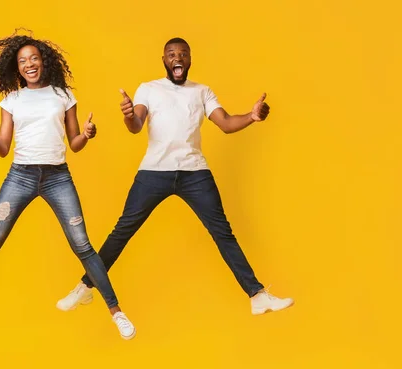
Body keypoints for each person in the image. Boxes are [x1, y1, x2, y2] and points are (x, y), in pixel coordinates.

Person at [57, 37, 294, 316]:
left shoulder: (202, 92)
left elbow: (227, 124)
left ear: (190, 60)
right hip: (154, 173)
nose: (177, 57)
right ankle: (85, 288)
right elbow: (136, 125)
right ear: (164, 61)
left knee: (223, 233)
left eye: (183, 54)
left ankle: (257, 296)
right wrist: (128, 115)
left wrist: (252, 117)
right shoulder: (149, 89)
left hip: (195, 174)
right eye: (171, 54)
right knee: (122, 231)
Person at [0, 31, 136, 340]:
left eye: (34, 58)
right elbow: (3, 148)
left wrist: (88, 134)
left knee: (82, 245)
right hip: (20, 176)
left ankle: (117, 312)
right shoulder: (11, 100)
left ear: (44, 62)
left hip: (57, 177)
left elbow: (75, 143)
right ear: (17, 68)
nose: (29, 64)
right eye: (23, 61)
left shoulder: (63, 95)